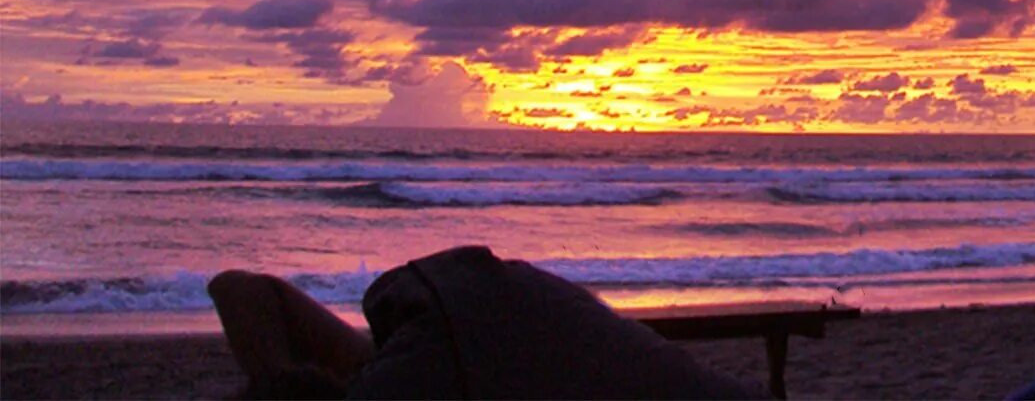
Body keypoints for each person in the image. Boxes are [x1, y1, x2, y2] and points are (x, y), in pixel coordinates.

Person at [209, 246, 759, 400]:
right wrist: (277, 380)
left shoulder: (418, 359)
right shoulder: (427, 338)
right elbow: (234, 288)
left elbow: (235, 289)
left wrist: (276, 381)